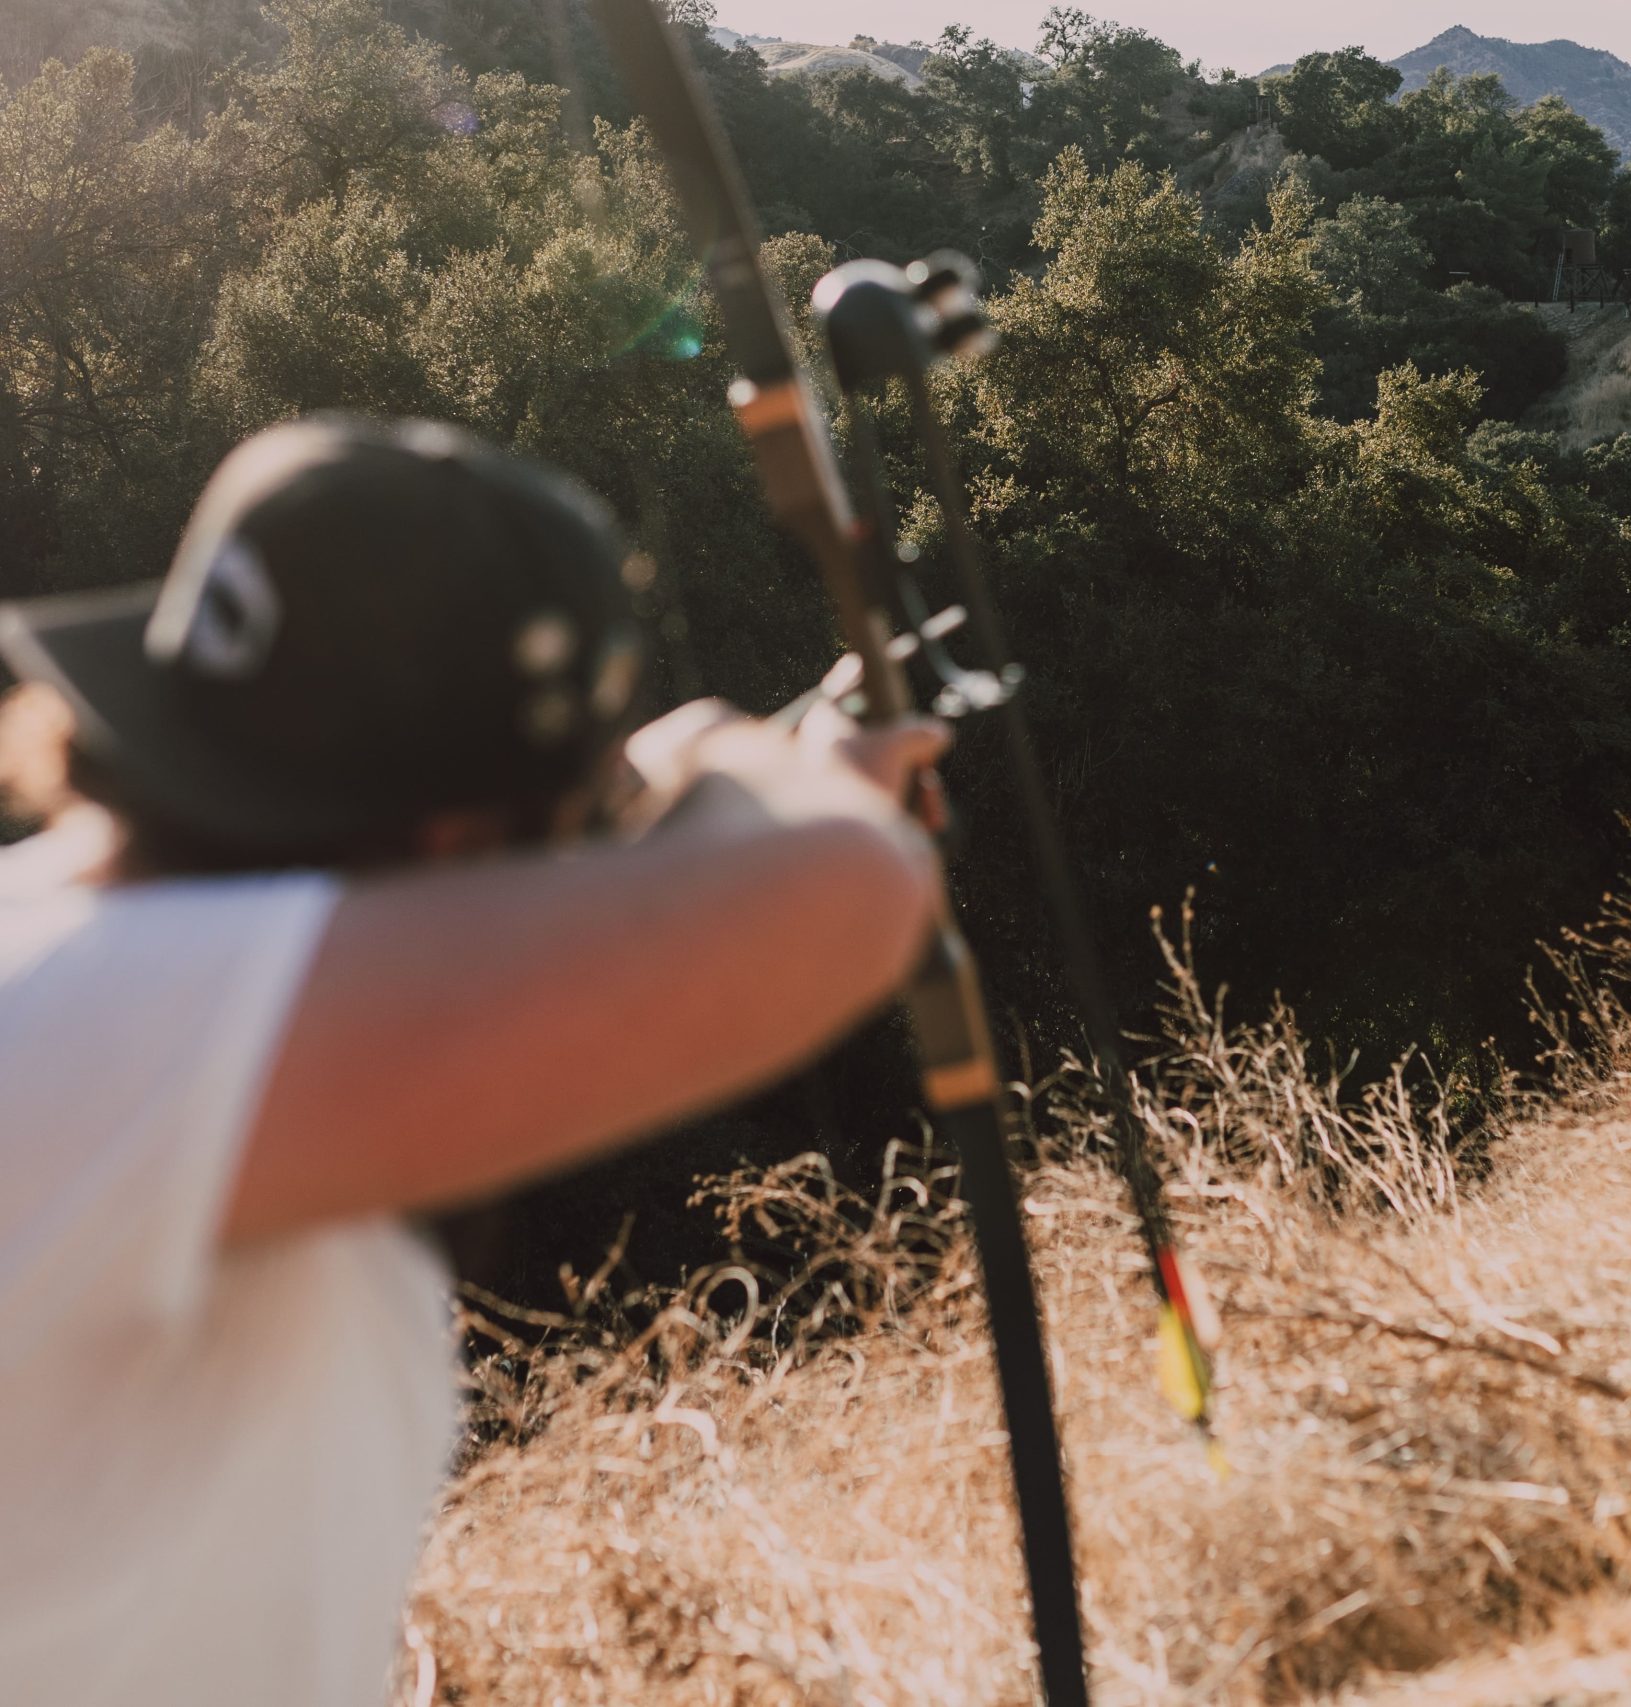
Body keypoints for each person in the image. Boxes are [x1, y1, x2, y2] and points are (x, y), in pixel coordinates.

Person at [0, 415, 950, 1706]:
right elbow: (850, 889)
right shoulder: (134, 1026)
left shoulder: (68, 950)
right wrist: (738, 756)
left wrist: (681, 788)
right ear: (453, 841)